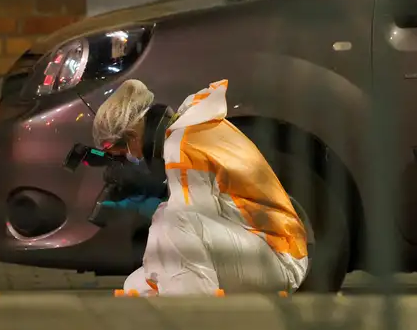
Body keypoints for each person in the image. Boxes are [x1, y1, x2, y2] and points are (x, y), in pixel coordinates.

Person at [92, 79, 309, 295]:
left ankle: (198, 316)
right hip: (254, 245)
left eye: (122, 152)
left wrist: (146, 195)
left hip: (278, 256)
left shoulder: (181, 146)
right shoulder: (191, 128)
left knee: (171, 221)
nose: (131, 158)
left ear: (132, 136)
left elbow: (188, 224)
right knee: (136, 286)